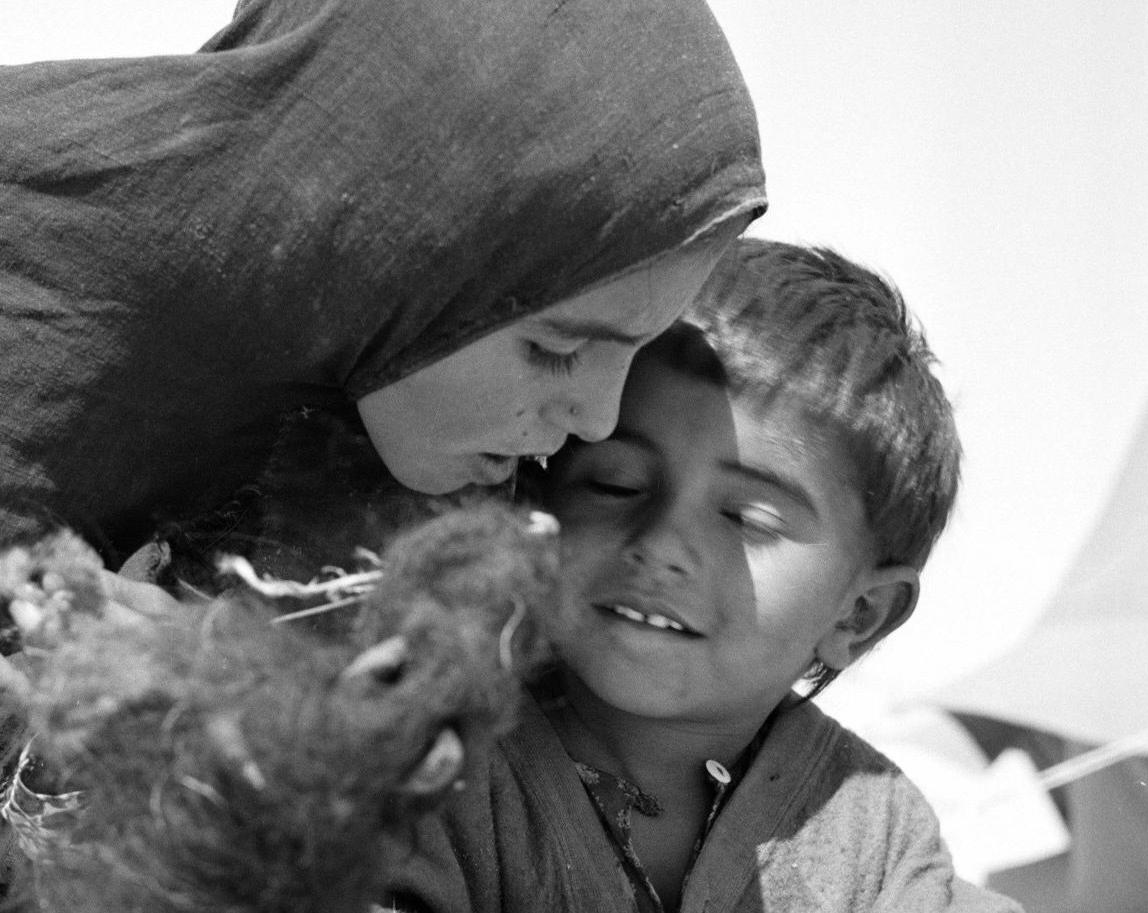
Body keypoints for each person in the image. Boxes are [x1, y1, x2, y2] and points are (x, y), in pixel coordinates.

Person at [0, 0, 765, 909]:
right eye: (556, 346)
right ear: (390, 240)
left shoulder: (367, 535)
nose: (597, 418)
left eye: (629, 352)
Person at [382, 239, 1023, 912]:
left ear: (857, 615)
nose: (662, 544)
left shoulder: (875, 837)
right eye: (616, 483)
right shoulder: (430, 765)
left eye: (747, 518)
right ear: (536, 505)